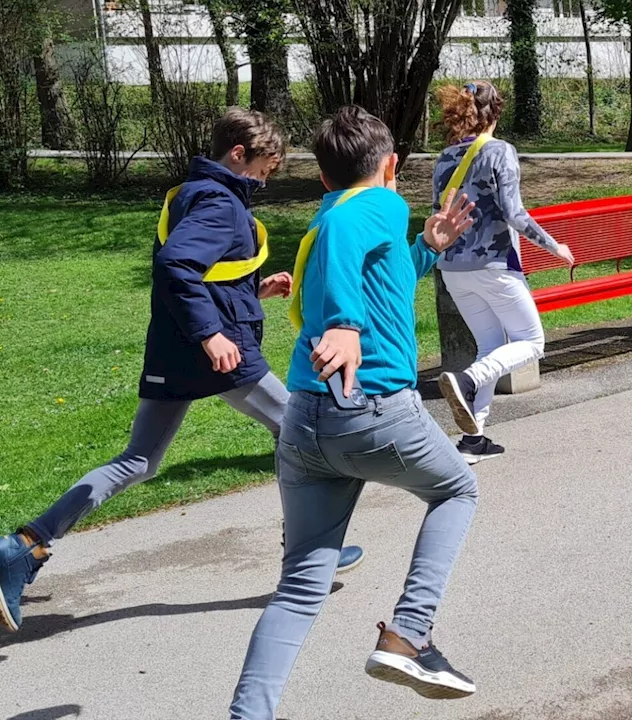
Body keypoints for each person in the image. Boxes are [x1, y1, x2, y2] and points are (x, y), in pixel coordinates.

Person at [0, 108, 363, 635]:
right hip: (219, 352)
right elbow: (175, 268)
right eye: (264, 167)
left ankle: (22, 547)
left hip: (178, 350)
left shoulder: (192, 193)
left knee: (140, 460)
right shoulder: (219, 202)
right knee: (296, 428)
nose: (265, 179)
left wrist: (250, 292)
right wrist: (212, 334)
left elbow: (196, 275)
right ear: (239, 154)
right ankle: (307, 553)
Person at [229, 105, 481, 718]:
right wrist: (344, 323)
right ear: (390, 165)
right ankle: (409, 635)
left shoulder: (332, 214)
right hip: (371, 410)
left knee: (299, 588)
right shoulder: (379, 203)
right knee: (458, 490)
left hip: (305, 422)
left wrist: (428, 247)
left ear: (322, 177)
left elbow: (382, 273)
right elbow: (352, 252)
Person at [433, 81, 574, 464]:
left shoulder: (445, 157)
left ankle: (473, 439)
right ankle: (465, 381)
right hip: (494, 266)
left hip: (452, 269)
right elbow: (514, 214)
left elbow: (438, 214)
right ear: (497, 112)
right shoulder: (501, 152)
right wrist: (554, 245)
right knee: (532, 342)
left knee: (490, 347)